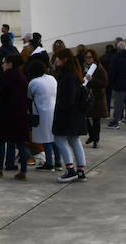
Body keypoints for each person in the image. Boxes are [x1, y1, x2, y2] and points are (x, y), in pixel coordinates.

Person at [50, 48, 88, 182]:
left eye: (58, 58)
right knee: (74, 140)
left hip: (67, 114)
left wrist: (60, 106)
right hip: (76, 114)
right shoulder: (75, 73)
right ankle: (81, 171)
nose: (56, 60)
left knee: (59, 139)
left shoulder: (67, 76)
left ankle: (70, 169)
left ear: (64, 59)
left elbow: (69, 98)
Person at [0, 53, 29, 180]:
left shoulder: (6, 76)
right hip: (21, 113)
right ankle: (23, 171)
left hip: (7, 113)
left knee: (1, 140)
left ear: (10, 63)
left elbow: (0, 95)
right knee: (20, 143)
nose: (2, 64)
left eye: (4, 62)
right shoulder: (22, 76)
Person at [25, 57, 57, 170]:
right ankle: (57, 162)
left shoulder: (34, 82)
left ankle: (49, 162)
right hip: (54, 110)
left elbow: (29, 97)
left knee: (46, 139)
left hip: (41, 113)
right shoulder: (52, 78)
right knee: (54, 138)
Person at [106, 40, 126, 130]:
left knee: (118, 105)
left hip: (119, 85)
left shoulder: (116, 58)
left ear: (118, 49)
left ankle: (115, 122)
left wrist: (111, 82)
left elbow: (112, 72)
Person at [81, 47, 109, 147]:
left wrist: (92, 80)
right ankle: (92, 135)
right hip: (86, 97)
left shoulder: (99, 68)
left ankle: (95, 139)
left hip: (97, 97)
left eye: (90, 57)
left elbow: (104, 82)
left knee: (96, 119)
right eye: (86, 57)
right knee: (85, 117)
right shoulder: (82, 68)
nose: (88, 59)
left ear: (94, 58)